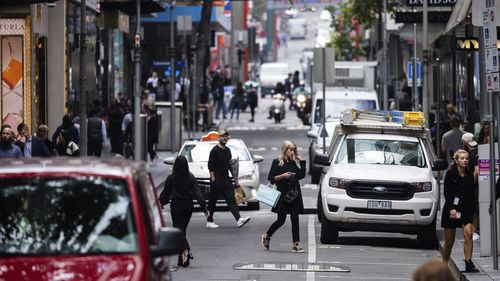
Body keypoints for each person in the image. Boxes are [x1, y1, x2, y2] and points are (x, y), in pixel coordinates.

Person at [159, 155, 209, 267]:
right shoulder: (191, 177)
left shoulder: (171, 178)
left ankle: (186, 249)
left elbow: (166, 192)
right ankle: (182, 260)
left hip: (177, 206)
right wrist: (204, 208)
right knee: (182, 231)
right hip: (188, 206)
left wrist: (162, 202)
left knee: (179, 232)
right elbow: (197, 193)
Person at [261, 140, 306, 253]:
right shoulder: (277, 162)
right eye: (290, 150)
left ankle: (296, 244)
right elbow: (271, 178)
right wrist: (283, 176)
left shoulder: (294, 162)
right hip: (282, 195)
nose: (292, 152)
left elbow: (300, 176)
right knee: (281, 220)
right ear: (285, 150)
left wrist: (302, 162)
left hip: (294, 194)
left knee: (295, 219)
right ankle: (267, 235)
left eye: (294, 150)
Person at [441, 149, 479, 273]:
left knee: (468, 234)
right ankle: (444, 265)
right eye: (462, 158)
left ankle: (468, 262)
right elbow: (447, 193)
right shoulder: (450, 174)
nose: (465, 160)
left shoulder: (469, 175)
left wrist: (473, 212)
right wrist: (452, 208)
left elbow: (471, 195)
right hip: (452, 209)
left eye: (466, 158)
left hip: (466, 209)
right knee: (449, 242)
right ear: (456, 161)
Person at [205, 129, 250, 229]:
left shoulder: (228, 150)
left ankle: (239, 220)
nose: (225, 138)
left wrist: (236, 180)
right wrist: (213, 179)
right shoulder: (214, 151)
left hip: (226, 179)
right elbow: (210, 166)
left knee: (231, 199)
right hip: (216, 180)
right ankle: (209, 221)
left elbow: (230, 166)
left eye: (226, 137)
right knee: (212, 201)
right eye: (223, 136)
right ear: (219, 138)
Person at [462, 133, 479, 239]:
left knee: (475, 208)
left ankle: (475, 231)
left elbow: (477, 170)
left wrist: (470, 183)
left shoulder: (472, 155)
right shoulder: (477, 152)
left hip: (476, 186)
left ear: (465, 143)